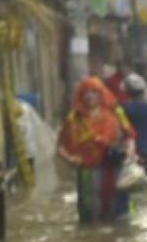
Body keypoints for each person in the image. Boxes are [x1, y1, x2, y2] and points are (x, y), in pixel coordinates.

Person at [56, 77, 135, 223]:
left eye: (94, 92)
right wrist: (70, 158)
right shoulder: (74, 119)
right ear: (81, 96)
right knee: (89, 213)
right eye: (86, 93)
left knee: (120, 214)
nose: (90, 96)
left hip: (114, 169)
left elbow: (130, 135)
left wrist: (130, 151)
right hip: (87, 171)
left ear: (101, 93)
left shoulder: (116, 113)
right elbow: (60, 146)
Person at [120, 73, 147, 185]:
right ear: (143, 90)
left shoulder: (124, 109)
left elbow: (119, 131)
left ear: (127, 92)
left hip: (129, 153)